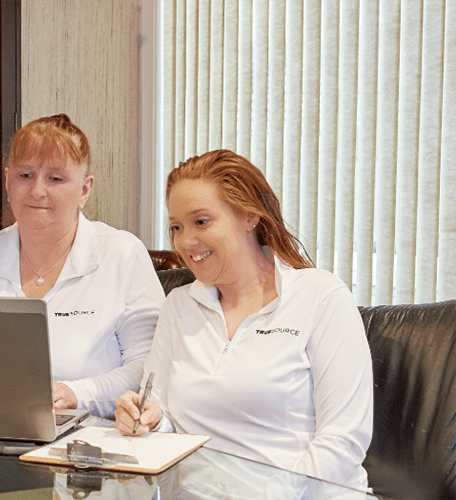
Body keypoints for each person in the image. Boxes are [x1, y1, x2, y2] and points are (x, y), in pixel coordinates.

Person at [114, 149, 373, 489]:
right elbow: (163, 414)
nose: (186, 241)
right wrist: (146, 417)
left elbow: (343, 441)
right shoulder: (179, 304)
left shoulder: (320, 296)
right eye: (176, 227)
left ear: (250, 216)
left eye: (201, 221)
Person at [0, 114, 164, 419]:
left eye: (55, 178)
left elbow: (148, 368)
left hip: (90, 444)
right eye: (25, 175)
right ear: (8, 182)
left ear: (84, 190)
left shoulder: (122, 255)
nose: (37, 191)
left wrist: (78, 393)